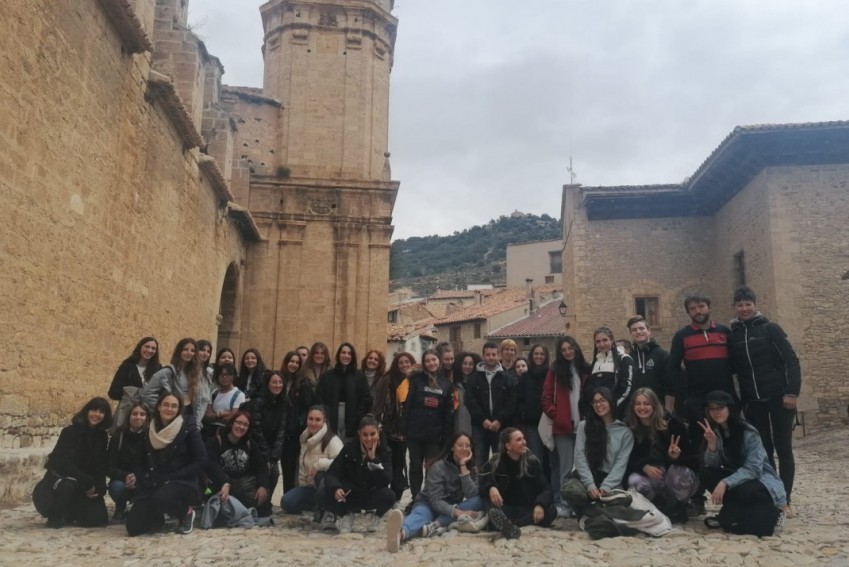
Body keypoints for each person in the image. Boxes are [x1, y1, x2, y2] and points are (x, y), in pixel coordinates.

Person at [728, 286, 801, 517]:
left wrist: (792, 392)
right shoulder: (734, 335)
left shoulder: (771, 329)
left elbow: (792, 361)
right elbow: (733, 369)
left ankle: (786, 499)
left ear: (755, 305)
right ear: (735, 308)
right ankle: (774, 494)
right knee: (764, 450)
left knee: (783, 448)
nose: (745, 308)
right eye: (740, 305)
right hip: (753, 401)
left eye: (748, 304)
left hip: (780, 398)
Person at [667, 294, 734, 515]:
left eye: (701, 306)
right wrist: (685, 396)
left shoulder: (725, 333)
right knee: (698, 448)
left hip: (724, 401)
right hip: (696, 401)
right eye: (693, 308)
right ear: (688, 312)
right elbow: (673, 368)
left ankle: (732, 495)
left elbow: (734, 364)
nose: (698, 310)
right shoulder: (682, 336)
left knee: (729, 446)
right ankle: (697, 498)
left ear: (709, 307)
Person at [698, 390, 787, 533]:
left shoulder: (748, 433)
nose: (716, 412)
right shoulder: (716, 432)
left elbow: (754, 469)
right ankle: (741, 510)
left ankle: (771, 512)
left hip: (760, 481)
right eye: (712, 409)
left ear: (729, 409)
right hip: (738, 482)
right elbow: (713, 465)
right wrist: (712, 444)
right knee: (705, 474)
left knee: (744, 492)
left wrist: (725, 482)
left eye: (720, 407)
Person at [385, 432, 484, 552]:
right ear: (452, 447)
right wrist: (458, 512)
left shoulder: (471, 469)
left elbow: (472, 495)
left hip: (451, 507)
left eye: (467, 445)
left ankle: (435, 525)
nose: (464, 448)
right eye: (460, 445)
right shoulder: (438, 467)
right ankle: (399, 535)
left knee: (479, 500)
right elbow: (435, 500)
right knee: (420, 515)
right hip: (429, 504)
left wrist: (463, 467)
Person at [126, 394, 207, 536]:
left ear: (179, 409)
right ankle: (157, 518)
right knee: (133, 528)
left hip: (183, 482)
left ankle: (186, 513)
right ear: (158, 407)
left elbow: (201, 460)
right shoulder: (149, 432)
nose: (169, 408)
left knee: (162, 496)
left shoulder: (188, 428)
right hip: (156, 483)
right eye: (165, 404)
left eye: (174, 406)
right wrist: (144, 481)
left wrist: (172, 477)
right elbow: (137, 463)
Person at [35, 397, 112, 528]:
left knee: (97, 519)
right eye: (94, 410)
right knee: (67, 487)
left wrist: (100, 487)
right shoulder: (70, 432)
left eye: (101, 412)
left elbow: (100, 463)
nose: (97, 414)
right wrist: (87, 481)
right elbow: (62, 462)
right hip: (64, 481)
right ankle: (55, 515)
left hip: (84, 484)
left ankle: (73, 512)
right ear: (87, 411)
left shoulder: (101, 436)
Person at [624, 388, 697, 523]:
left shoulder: (672, 424)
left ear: (654, 405)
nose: (642, 407)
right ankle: (656, 507)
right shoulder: (630, 428)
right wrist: (644, 467)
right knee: (634, 480)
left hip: (673, 475)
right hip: (649, 478)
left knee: (679, 475)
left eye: (646, 403)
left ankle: (679, 506)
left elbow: (692, 457)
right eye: (637, 403)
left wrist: (674, 457)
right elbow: (627, 459)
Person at [317, 415, 395, 533]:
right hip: (349, 494)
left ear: (378, 433)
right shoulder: (349, 450)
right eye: (365, 434)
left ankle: (377, 517)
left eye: (372, 434)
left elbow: (387, 479)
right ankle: (345, 515)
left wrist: (374, 460)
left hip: (370, 494)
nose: (369, 438)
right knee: (322, 494)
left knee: (389, 496)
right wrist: (336, 488)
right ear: (359, 434)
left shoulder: (385, 451)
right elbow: (332, 473)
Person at [564, 387, 634, 518]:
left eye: (602, 400)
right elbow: (580, 458)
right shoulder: (584, 426)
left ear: (611, 402)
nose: (598, 404)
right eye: (595, 401)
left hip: (610, 481)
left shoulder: (625, 432)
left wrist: (606, 486)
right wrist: (590, 485)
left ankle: (592, 512)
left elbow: (621, 464)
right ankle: (596, 511)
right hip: (586, 478)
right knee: (571, 490)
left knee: (624, 499)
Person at [479, 428, 557, 539]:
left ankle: (507, 525)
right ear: (508, 445)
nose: (524, 442)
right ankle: (507, 524)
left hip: (527, 509)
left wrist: (540, 505)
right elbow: (482, 483)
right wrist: (491, 488)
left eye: (523, 438)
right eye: (519, 439)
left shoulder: (532, 462)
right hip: (505, 508)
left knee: (551, 511)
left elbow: (546, 489)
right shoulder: (495, 462)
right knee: (488, 502)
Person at [541, 336, 589, 515]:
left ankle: (581, 502)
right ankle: (565, 503)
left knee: (583, 466)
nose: (568, 352)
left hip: (583, 425)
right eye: (564, 350)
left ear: (576, 348)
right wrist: (558, 416)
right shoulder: (555, 371)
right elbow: (546, 399)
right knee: (566, 468)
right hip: (563, 427)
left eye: (570, 348)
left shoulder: (585, 369)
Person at [402, 349, 455, 500]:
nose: (431, 363)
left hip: (435, 435)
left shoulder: (446, 384)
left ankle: (430, 498)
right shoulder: (416, 380)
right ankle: (415, 498)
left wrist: (447, 436)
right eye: (428, 361)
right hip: (415, 432)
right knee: (415, 467)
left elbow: (448, 414)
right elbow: (408, 406)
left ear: (439, 361)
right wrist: (404, 428)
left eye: (434, 360)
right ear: (424, 363)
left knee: (432, 469)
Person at [280, 406, 344, 515]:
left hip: (327, 487)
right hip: (308, 487)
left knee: (320, 475)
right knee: (286, 502)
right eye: (311, 419)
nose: (313, 423)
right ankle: (317, 507)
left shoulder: (333, 441)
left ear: (324, 421)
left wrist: (320, 464)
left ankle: (327, 507)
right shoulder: (304, 438)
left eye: (317, 420)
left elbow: (343, 465)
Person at [205, 411, 271, 515]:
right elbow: (211, 465)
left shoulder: (250, 443)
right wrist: (225, 482)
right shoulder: (216, 441)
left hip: (243, 484)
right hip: (221, 483)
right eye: (238, 422)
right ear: (231, 423)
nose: (241, 427)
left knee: (262, 506)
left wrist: (262, 486)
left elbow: (261, 467)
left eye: (245, 425)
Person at [241, 370, 288, 510]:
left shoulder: (283, 403)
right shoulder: (258, 402)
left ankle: (265, 502)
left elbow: (281, 430)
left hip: (272, 446)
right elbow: (256, 429)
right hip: (256, 444)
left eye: (280, 382)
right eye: (274, 382)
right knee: (262, 472)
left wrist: (274, 455)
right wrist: (265, 454)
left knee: (274, 472)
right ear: (267, 384)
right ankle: (255, 502)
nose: (277, 385)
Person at [372, 351, 415, 502]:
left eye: (407, 362)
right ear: (396, 364)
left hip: (406, 431)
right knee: (385, 462)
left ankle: (396, 497)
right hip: (387, 429)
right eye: (401, 362)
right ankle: (382, 496)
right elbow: (378, 404)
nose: (404, 365)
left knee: (400, 463)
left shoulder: (415, 380)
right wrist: (376, 423)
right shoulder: (387, 380)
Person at [141, 338, 210, 430]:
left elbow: (200, 401)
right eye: (185, 349)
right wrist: (164, 409)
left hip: (189, 416)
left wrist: (197, 422)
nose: (189, 353)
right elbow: (147, 394)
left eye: (192, 350)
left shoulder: (196, 374)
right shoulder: (167, 372)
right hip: (171, 419)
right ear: (179, 351)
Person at [465, 341, 516, 466]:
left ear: (498, 355)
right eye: (488, 355)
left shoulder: (507, 378)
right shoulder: (473, 379)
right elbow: (471, 402)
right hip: (479, 426)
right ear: (483, 356)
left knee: (501, 462)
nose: (491, 357)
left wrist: (499, 420)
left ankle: (498, 486)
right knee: (479, 461)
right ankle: (480, 485)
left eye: (494, 354)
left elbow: (511, 402)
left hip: (501, 426)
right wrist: (483, 420)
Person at [316, 343, 372, 442]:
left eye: (349, 353)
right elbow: (319, 397)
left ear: (352, 357)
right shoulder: (327, 376)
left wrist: (358, 416)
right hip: (331, 415)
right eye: (343, 353)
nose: (346, 356)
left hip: (352, 418)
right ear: (338, 355)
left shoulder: (359, 376)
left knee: (348, 446)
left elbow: (366, 398)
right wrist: (325, 416)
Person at [280, 352, 317, 493]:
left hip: (294, 430)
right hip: (280, 428)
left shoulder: (303, 383)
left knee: (296, 465)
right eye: (291, 361)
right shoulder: (279, 379)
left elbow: (307, 407)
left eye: (297, 362)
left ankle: (293, 497)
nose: (294, 364)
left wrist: (299, 424)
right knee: (286, 466)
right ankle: (287, 496)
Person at [107, 403, 149, 521]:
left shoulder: (150, 437)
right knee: (116, 487)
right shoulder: (118, 437)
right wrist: (126, 476)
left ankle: (138, 506)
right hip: (122, 480)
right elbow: (109, 466)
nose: (138, 417)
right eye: (134, 414)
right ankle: (120, 506)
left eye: (142, 414)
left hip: (143, 479)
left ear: (147, 417)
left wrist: (137, 477)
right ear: (128, 416)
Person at [584, 327, 634, 419]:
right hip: (597, 414)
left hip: (617, 414)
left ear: (611, 340)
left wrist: (612, 408)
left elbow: (626, 389)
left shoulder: (624, 359)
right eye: (598, 342)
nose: (602, 344)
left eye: (605, 340)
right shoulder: (593, 363)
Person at [626, 316, 671, 410]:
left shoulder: (662, 355)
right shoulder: (628, 358)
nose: (638, 332)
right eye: (634, 330)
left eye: (641, 328)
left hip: (658, 408)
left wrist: (668, 410)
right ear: (631, 333)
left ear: (649, 331)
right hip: (636, 409)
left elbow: (669, 385)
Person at [107, 337, 162, 404]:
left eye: (153, 348)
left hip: (151, 411)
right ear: (140, 347)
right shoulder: (127, 366)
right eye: (147, 347)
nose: (150, 350)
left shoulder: (158, 369)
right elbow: (113, 392)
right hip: (130, 411)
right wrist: (133, 392)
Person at [203, 363, 244, 437]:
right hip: (210, 432)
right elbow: (206, 416)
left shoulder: (239, 395)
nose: (225, 377)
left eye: (228, 375)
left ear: (233, 376)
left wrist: (214, 416)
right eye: (222, 375)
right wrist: (220, 414)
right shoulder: (214, 393)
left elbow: (232, 419)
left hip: (227, 432)